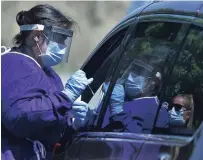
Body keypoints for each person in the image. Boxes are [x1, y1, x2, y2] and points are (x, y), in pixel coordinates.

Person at [1, 4, 94, 160]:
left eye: (65, 39)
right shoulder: (13, 64)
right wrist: (65, 97)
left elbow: (49, 129)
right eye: (59, 38)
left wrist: (73, 123)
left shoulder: (49, 74)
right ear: (36, 36)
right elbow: (18, 117)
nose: (63, 46)